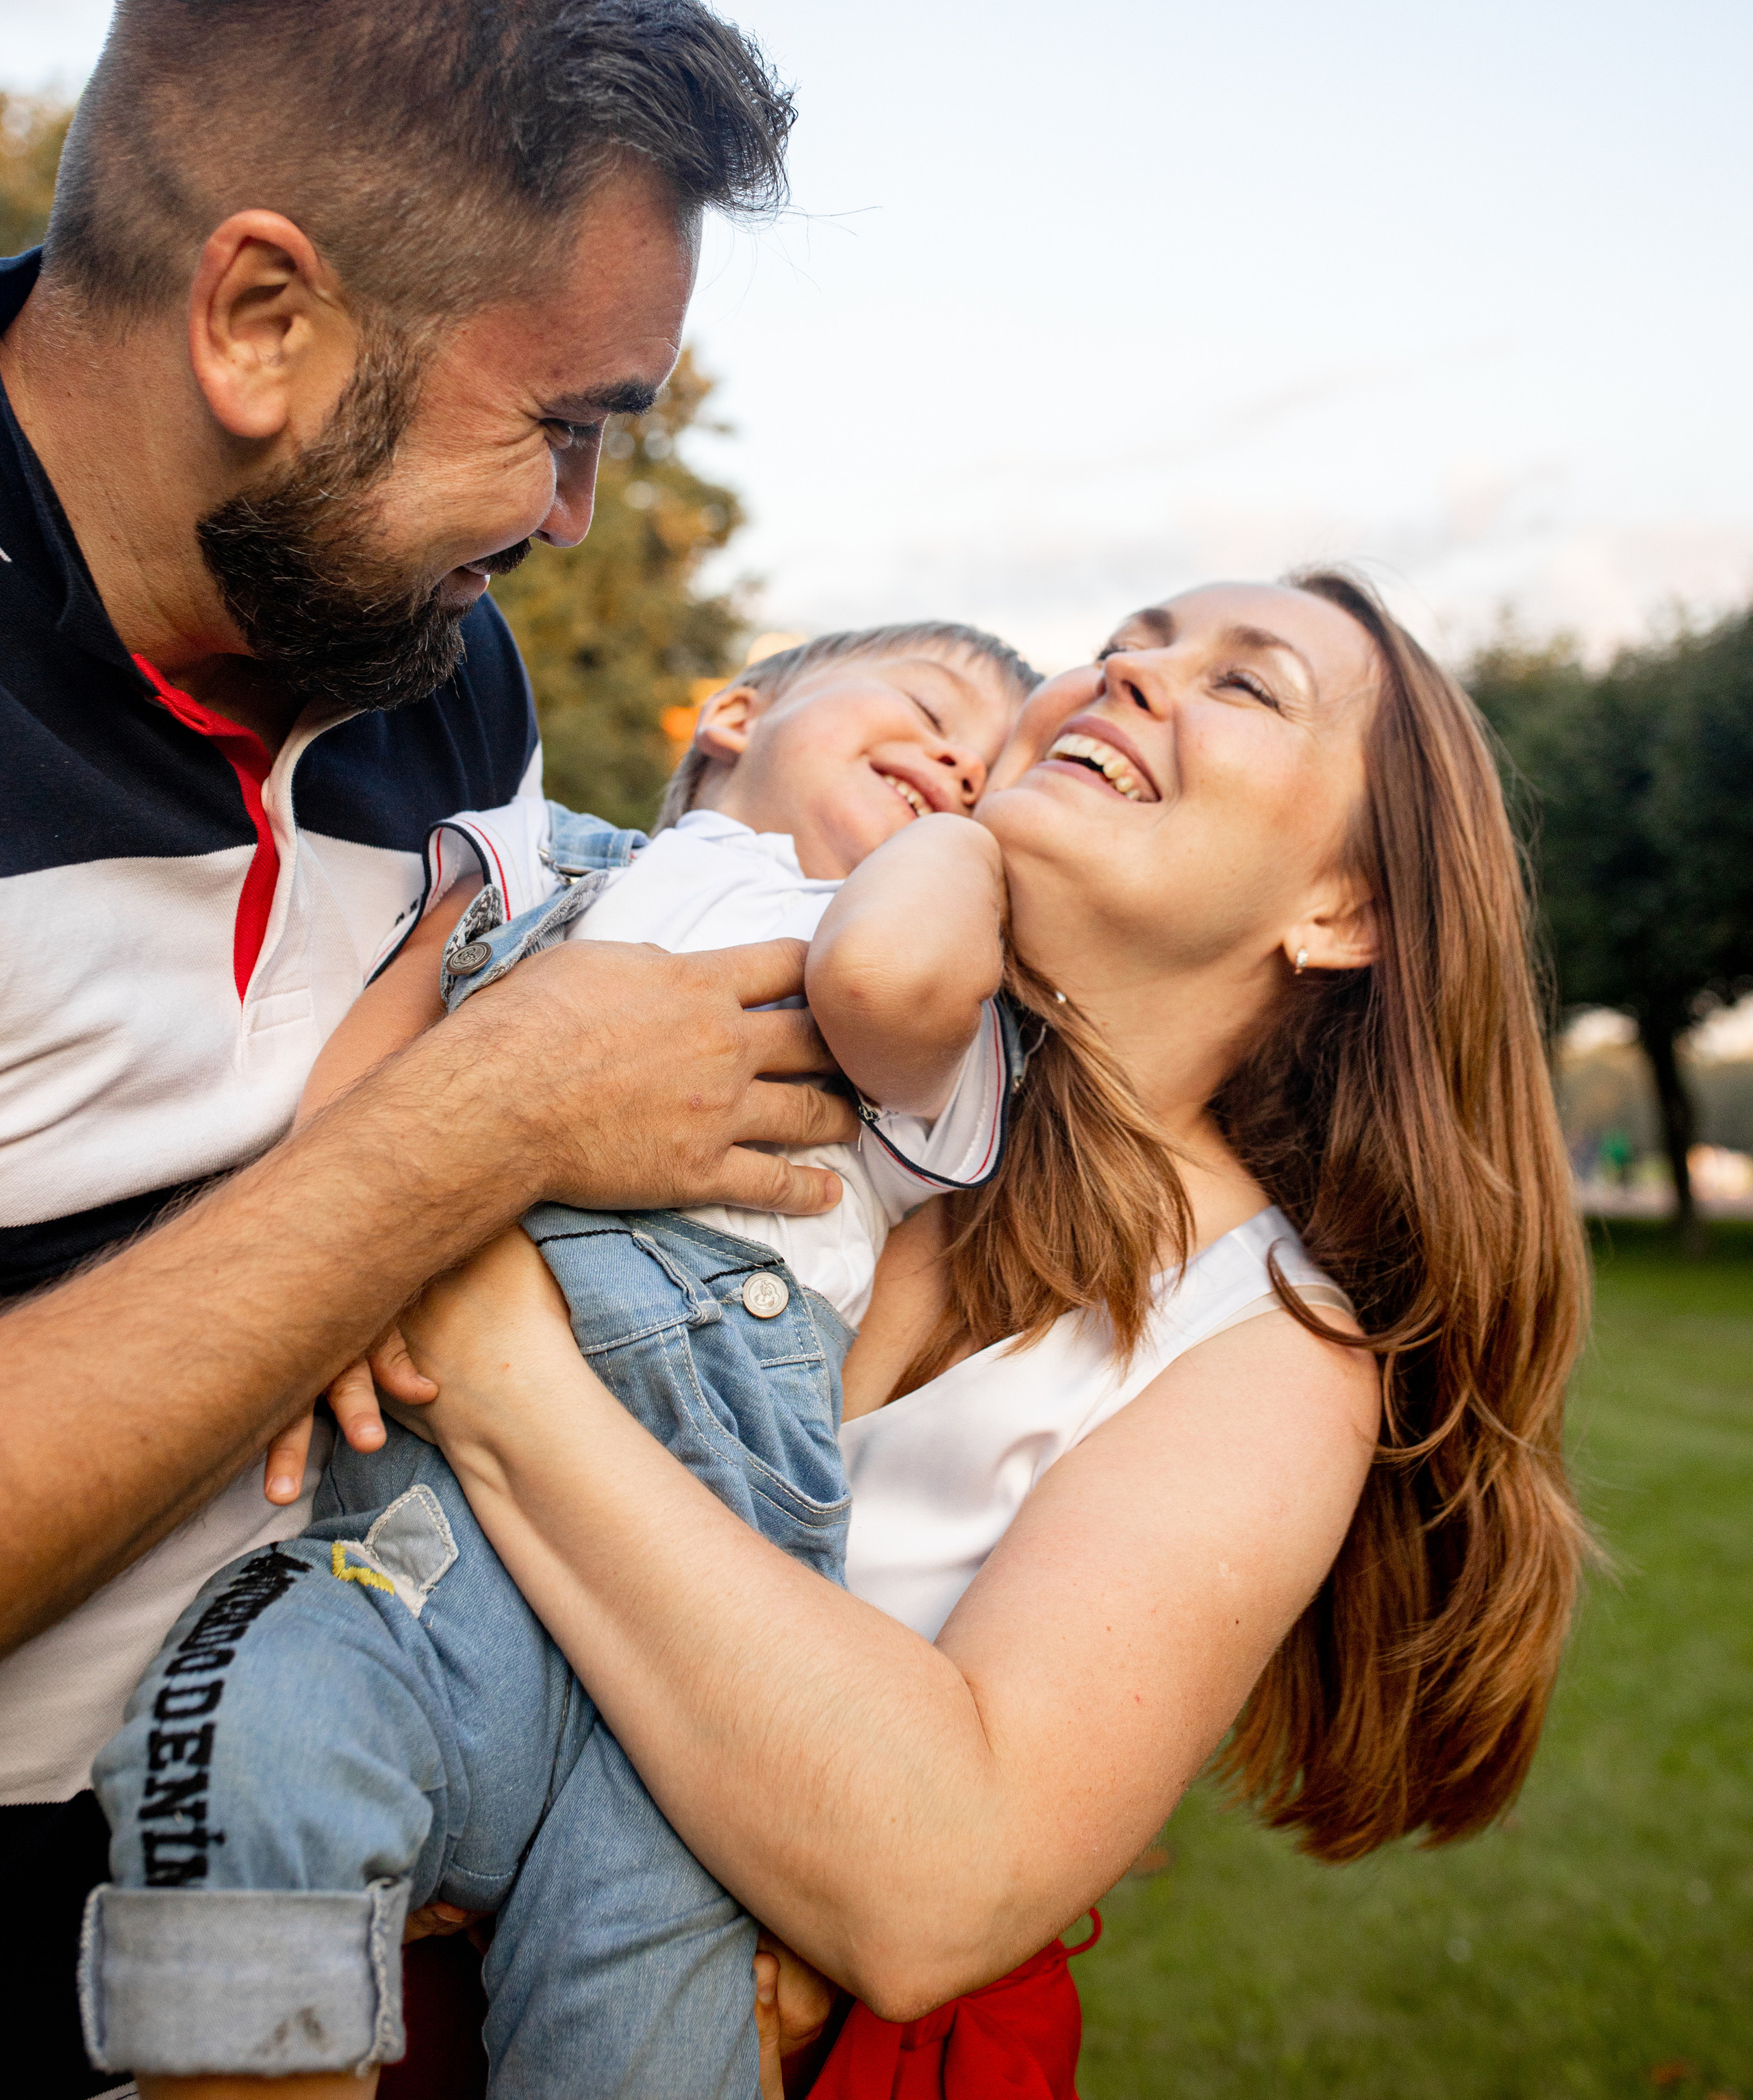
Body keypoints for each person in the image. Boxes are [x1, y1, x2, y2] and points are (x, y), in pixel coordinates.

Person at [285, 572, 1589, 2100]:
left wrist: (496, 1362)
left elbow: (939, 1884)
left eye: (1243, 683)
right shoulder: (758, 999)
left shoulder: (1263, 1344)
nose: (1127, 674)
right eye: (1122, 647)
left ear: (1342, 909)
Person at [0, 0, 857, 2097]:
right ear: (261, 318)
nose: (574, 517)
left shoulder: (437, 669)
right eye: (561, 425)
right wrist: (490, 1116)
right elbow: (487, 1126)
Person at [82, 622, 1040, 2096]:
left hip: (696, 1651)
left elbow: (888, 975)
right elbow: (380, 1057)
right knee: (244, 1735)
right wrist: (336, 1262)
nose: (961, 763)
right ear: (734, 712)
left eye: (994, 771)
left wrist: (961, 851)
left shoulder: (942, 1017)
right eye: (929, 706)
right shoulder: (542, 858)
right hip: (417, 1551)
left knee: (640, 2030)